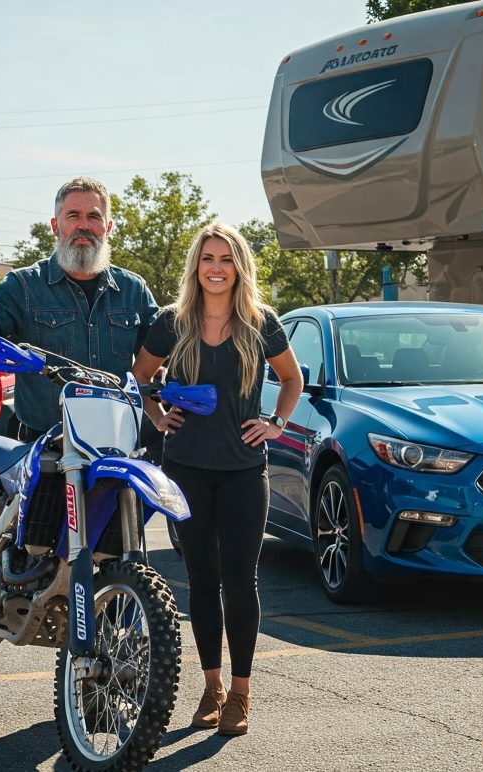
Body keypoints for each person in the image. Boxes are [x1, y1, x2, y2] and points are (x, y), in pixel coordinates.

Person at [132, 223, 303, 737]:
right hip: (186, 469)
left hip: (245, 472)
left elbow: (292, 379)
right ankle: (211, 688)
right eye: (207, 257)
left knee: (240, 582)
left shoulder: (259, 322)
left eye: (225, 258)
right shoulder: (172, 322)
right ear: (196, 266)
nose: (215, 267)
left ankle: (242, 693)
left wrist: (276, 423)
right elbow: (140, 376)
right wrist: (158, 416)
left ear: (238, 266)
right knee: (202, 582)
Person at [0, 177, 159, 441]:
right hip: (45, 446)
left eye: (94, 217)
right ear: (55, 225)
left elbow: (163, 346)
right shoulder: (24, 285)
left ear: (108, 226)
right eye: (73, 215)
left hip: (119, 441)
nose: (83, 226)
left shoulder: (133, 289)